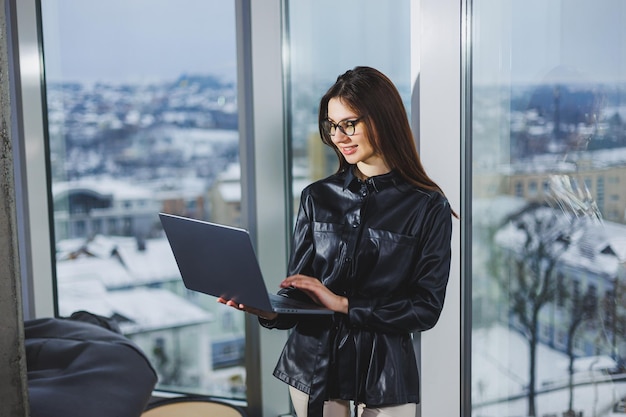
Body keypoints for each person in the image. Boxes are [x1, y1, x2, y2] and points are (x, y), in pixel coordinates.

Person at [218, 66, 455, 417]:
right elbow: (299, 291)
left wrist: (344, 304)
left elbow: (425, 307)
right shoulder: (317, 197)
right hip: (310, 367)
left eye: (350, 124)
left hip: (383, 376)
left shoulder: (428, 205)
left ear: (383, 119)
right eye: (332, 125)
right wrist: (269, 310)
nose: (339, 136)